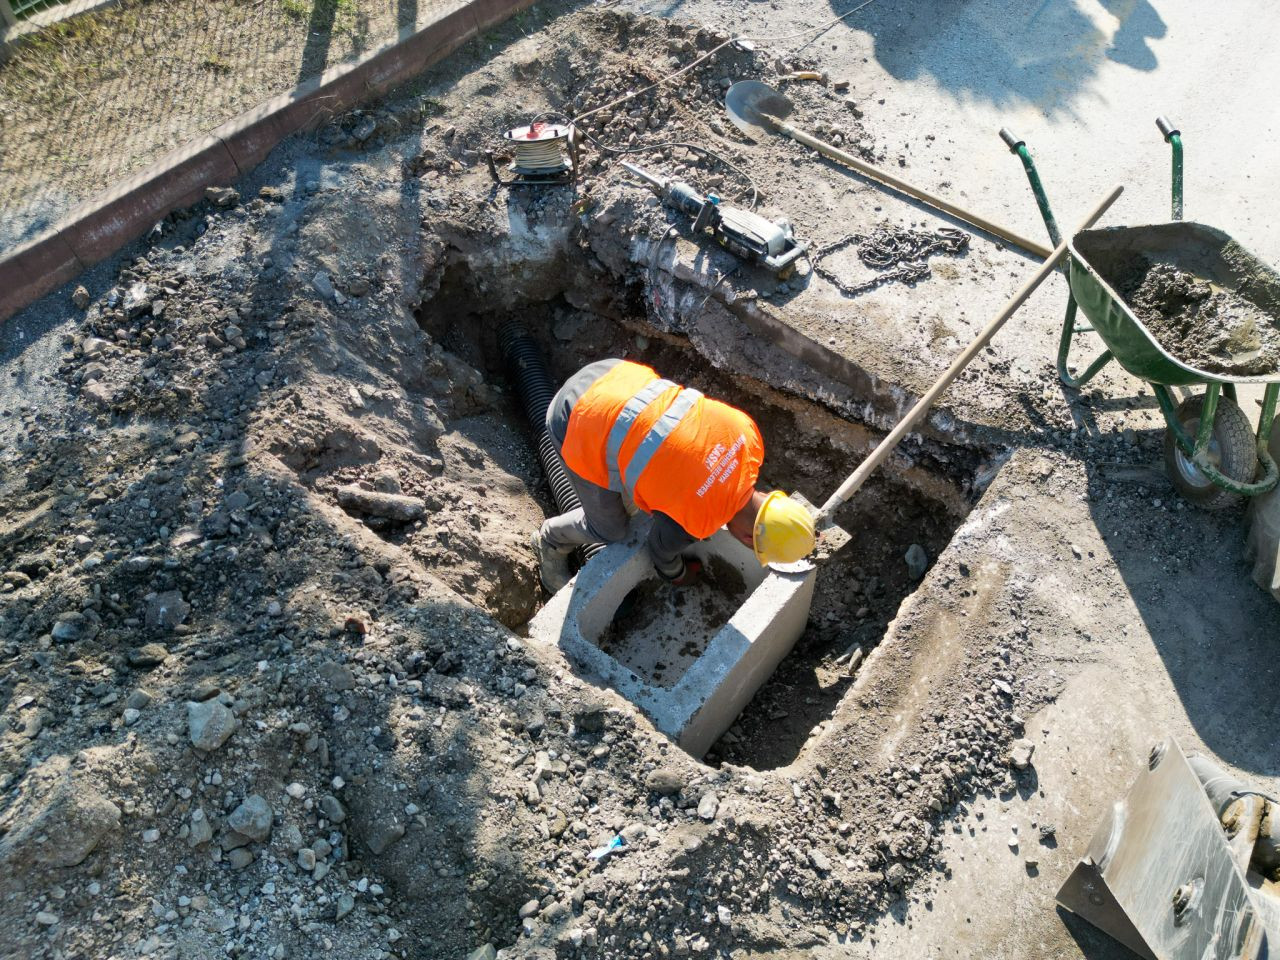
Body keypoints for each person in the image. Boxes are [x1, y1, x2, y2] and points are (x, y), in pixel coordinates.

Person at [532, 358, 816, 591]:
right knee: (611, 529)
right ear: (744, 538)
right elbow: (660, 552)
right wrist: (680, 576)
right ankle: (550, 539)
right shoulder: (696, 520)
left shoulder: (749, 439)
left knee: (638, 487)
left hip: (616, 374)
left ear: (770, 497)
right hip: (575, 419)